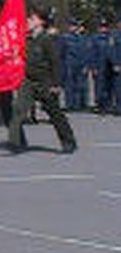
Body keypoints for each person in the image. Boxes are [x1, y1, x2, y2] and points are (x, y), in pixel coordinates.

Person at [9, 11, 77, 154]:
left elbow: (55, 62)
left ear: (41, 22)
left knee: (54, 113)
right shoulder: (27, 39)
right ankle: (16, 141)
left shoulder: (47, 40)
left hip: (44, 81)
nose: (28, 21)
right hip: (28, 81)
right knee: (18, 109)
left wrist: (56, 84)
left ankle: (68, 141)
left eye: (32, 19)